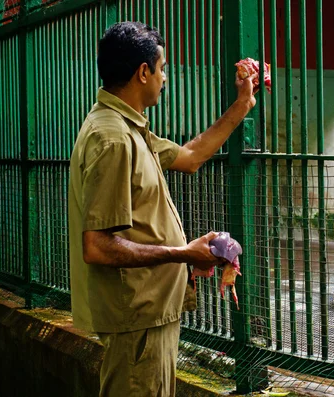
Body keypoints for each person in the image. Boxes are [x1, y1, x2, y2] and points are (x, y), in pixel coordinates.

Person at [68, 21, 257, 397]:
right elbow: (98, 246)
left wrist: (242, 105)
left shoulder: (129, 127)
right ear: (143, 73)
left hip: (146, 315)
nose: (165, 77)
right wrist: (182, 252)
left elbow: (189, 156)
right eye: (163, 67)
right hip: (136, 317)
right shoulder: (114, 139)